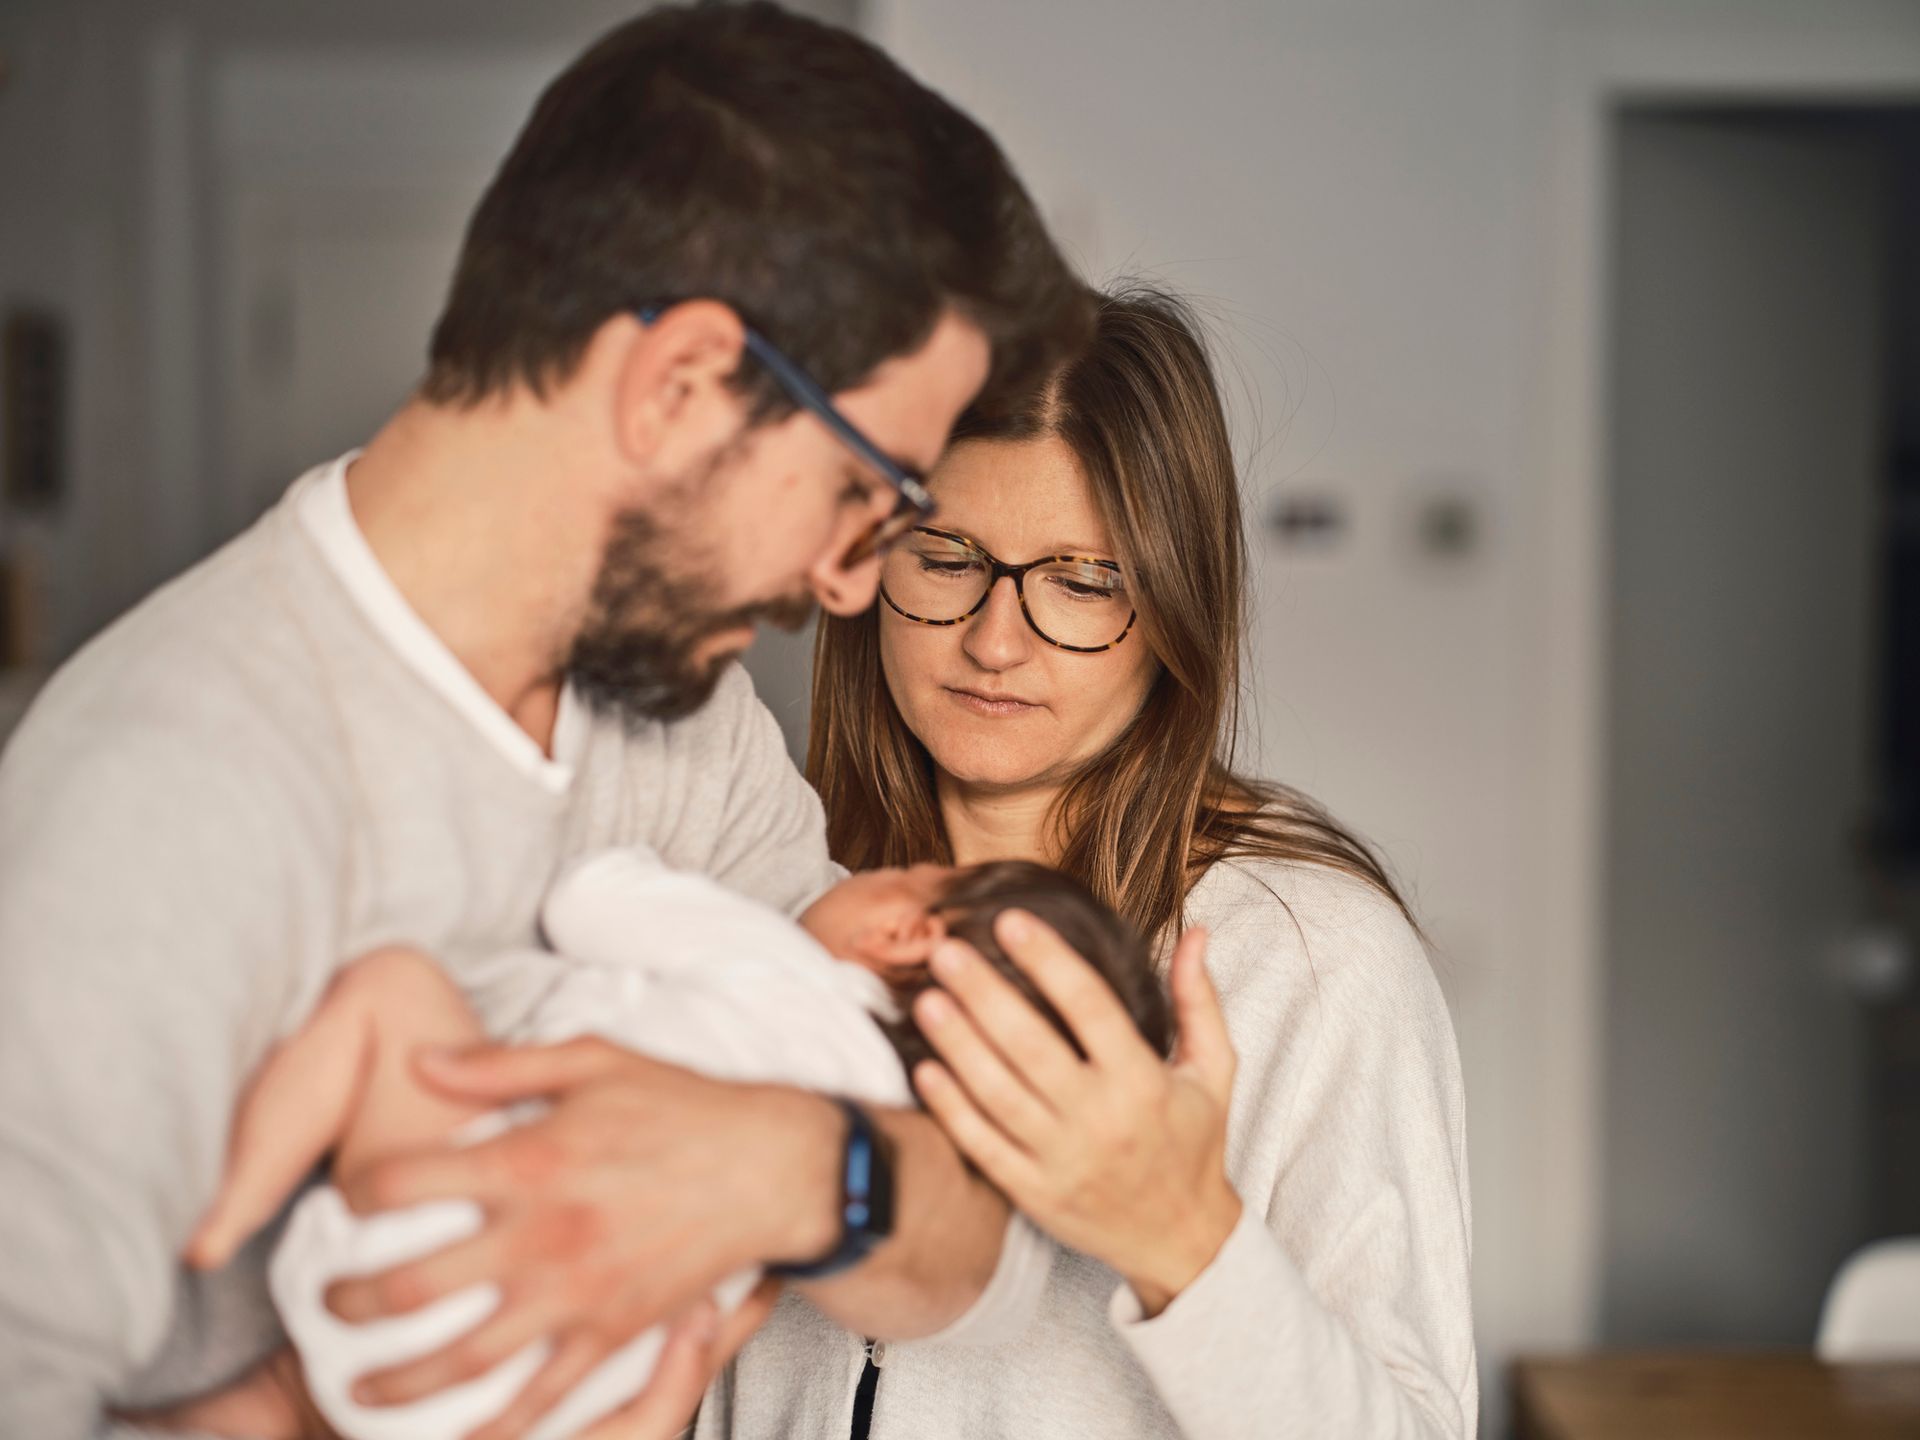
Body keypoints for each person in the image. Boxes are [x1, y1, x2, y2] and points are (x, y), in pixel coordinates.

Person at [0, 5, 1094, 1437]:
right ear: (681, 382)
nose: (846, 585)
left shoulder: (679, 722)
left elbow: (982, 1269)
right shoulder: (162, 794)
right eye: (863, 495)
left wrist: (786, 1165)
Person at [699, 284, 1478, 1438]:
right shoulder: (762, 898)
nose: (995, 639)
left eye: (1082, 581)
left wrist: (1183, 1241)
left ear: (1174, 610)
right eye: (949, 555)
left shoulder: (1312, 961)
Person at [165, 852, 1167, 1440]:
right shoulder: (888, 1125)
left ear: (905, 930)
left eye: (903, 872)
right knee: (302, 1402)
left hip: (442, 1228)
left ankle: (224, 1217)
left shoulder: (778, 969)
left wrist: (672, 885)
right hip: (557, 1398)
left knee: (390, 988)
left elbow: (593, 895)